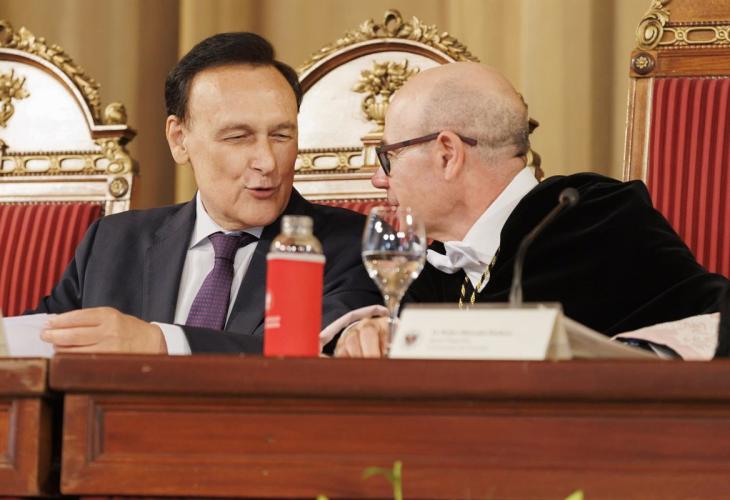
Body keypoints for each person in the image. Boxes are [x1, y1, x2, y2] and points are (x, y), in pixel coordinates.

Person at [334, 62, 729, 358]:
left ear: (447, 154)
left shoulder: (592, 219)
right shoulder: (433, 263)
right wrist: (365, 332)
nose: (378, 180)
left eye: (388, 158)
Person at [33, 32, 381, 354]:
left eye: (281, 136)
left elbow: (307, 355)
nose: (267, 162)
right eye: (238, 137)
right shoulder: (112, 241)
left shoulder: (357, 246)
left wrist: (161, 342)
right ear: (179, 139)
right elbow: (37, 344)